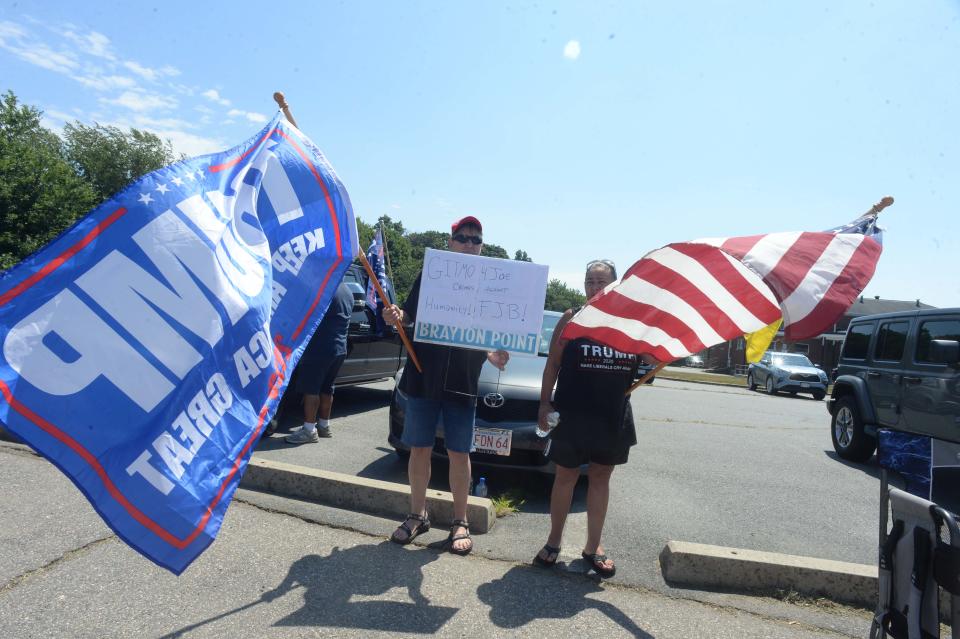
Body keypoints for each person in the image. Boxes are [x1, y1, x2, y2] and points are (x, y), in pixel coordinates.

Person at [382, 216, 509, 555]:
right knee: (419, 448)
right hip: (424, 376)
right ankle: (417, 514)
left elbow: (490, 334)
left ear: (482, 246)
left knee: (459, 452)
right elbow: (408, 315)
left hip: (463, 382)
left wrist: (495, 354)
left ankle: (460, 520)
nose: (469, 243)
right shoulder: (432, 274)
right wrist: (397, 316)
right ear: (450, 241)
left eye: (475, 239)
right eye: (462, 237)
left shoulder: (492, 285)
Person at [533, 259, 657, 578]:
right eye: (590, 281)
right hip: (571, 413)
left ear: (616, 285)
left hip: (611, 415)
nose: (595, 287)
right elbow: (552, 366)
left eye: (602, 282)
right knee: (565, 476)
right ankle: (553, 541)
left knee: (601, 477)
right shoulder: (572, 318)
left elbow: (650, 359)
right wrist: (544, 404)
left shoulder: (632, 323)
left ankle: (593, 548)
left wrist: (661, 349)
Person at [286, 281, 354, 443]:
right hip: (340, 347)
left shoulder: (326, 289)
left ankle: (309, 430)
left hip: (320, 347)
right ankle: (324, 426)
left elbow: (307, 316)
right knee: (327, 388)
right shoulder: (348, 291)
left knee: (312, 389)